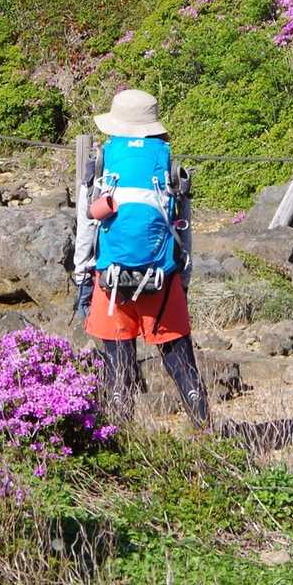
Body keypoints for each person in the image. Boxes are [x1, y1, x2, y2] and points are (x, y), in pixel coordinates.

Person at [73, 88, 209, 425]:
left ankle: (119, 440)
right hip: (163, 275)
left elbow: (87, 224)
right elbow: (183, 228)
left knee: (118, 370)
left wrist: (82, 276)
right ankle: (205, 430)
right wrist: (183, 279)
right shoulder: (169, 167)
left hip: (110, 279)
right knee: (181, 364)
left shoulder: (102, 164)